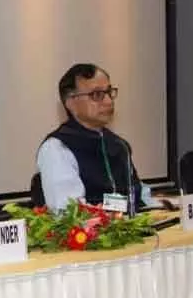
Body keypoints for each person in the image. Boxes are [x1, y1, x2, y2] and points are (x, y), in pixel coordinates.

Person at [36, 63, 156, 213]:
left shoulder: (118, 145)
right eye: (97, 95)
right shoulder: (57, 148)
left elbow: (139, 195)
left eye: (109, 92)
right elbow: (69, 213)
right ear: (70, 102)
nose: (108, 101)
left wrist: (165, 206)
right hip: (93, 234)